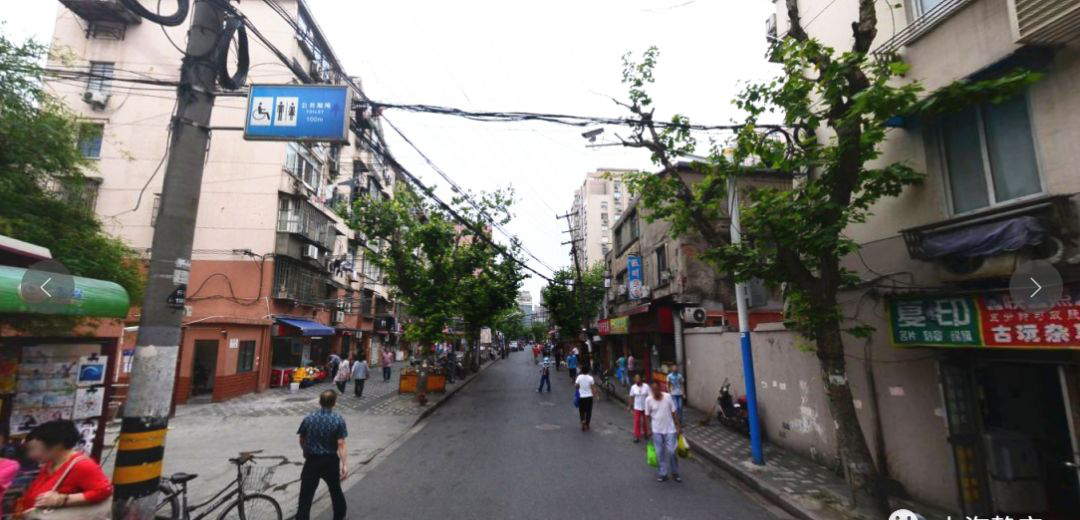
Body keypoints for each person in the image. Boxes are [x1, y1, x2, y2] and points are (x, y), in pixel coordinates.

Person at [17, 420, 113, 517]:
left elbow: (103, 491)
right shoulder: (51, 463)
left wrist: (62, 499)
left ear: (57, 446)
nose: (31, 455)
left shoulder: (82, 465)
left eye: (34, 449)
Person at [296, 390, 348, 520]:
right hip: (330, 461)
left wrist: (305, 451)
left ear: (319, 402)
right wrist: (344, 465)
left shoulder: (309, 418)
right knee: (335, 490)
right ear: (334, 403)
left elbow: (302, 438)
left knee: (306, 496)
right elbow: (341, 443)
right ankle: (339, 516)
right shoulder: (338, 419)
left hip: (312, 460)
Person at [644, 382, 682, 483]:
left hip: (670, 429)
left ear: (660, 388)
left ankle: (675, 472)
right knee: (659, 453)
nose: (655, 391)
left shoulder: (668, 397)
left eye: (656, 389)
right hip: (656, 430)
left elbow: (674, 412)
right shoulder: (648, 400)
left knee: (672, 451)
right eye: (653, 390)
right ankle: (663, 473)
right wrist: (648, 429)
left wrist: (678, 426)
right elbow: (647, 416)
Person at [627, 374, 650, 443]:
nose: (637, 380)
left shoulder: (646, 386)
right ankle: (636, 436)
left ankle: (646, 433)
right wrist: (629, 406)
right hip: (637, 407)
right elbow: (631, 397)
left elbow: (650, 396)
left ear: (641, 379)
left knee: (645, 421)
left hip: (645, 407)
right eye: (636, 379)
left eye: (638, 378)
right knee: (637, 421)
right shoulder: (633, 387)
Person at [574, 366, 597, 431]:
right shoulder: (590, 378)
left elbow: (576, 386)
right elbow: (593, 388)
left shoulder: (579, 377)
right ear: (588, 371)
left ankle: (583, 420)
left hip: (581, 397)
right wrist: (596, 396)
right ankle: (587, 424)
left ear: (582, 370)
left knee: (582, 411)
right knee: (589, 411)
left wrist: (579, 387)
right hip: (589, 397)